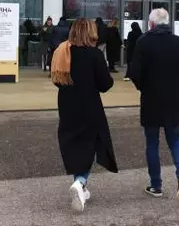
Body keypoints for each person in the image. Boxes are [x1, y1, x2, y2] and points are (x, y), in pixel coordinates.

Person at [129, 8, 179, 201]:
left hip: (151, 100)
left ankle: (156, 185)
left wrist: (142, 87)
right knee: (175, 141)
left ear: (152, 24)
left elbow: (134, 72)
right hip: (175, 99)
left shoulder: (143, 42)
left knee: (152, 143)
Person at [52, 18, 118, 213]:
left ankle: (81, 187)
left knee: (73, 144)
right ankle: (80, 182)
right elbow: (105, 84)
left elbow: (57, 80)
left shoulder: (62, 51)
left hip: (66, 105)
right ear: (90, 32)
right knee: (92, 143)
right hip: (89, 105)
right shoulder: (94, 54)